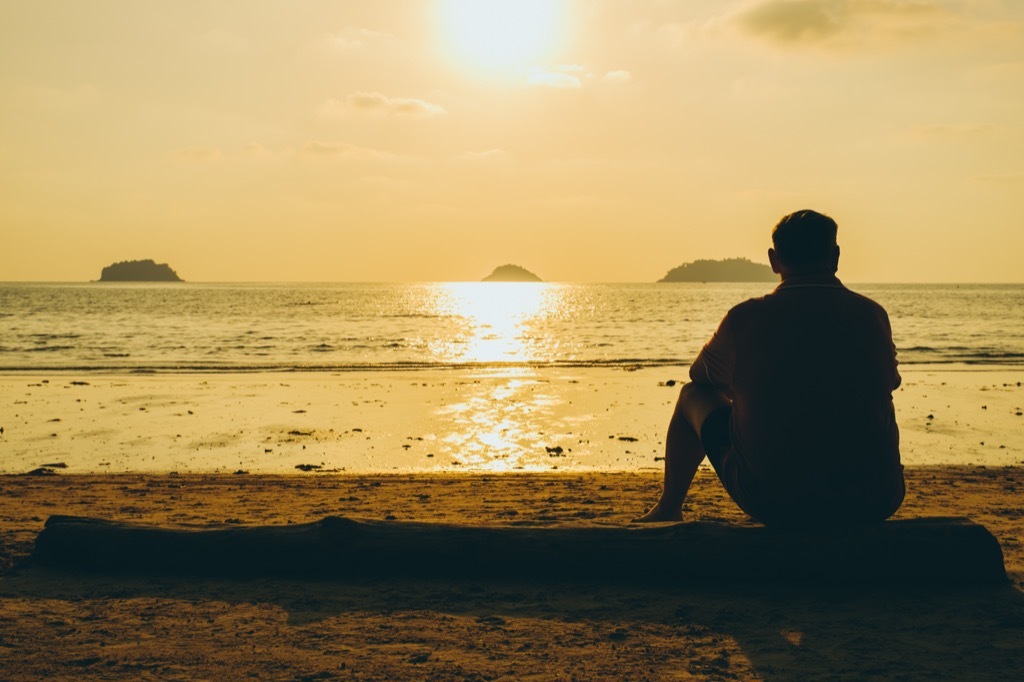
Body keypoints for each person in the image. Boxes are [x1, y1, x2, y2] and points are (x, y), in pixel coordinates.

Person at [636, 209, 904, 527]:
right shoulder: (872, 315)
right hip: (875, 497)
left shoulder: (744, 319)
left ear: (774, 260)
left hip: (776, 500)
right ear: (835, 257)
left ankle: (669, 507)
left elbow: (701, 377)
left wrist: (754, 392)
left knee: (692, 395)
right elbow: (887, 382)